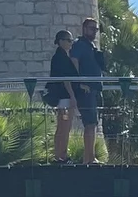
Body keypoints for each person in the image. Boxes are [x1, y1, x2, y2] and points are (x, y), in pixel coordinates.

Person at [71, 17, 109, 165]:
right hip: (86, 90)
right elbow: (74, 62)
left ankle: (88, 158)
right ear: (84, 29)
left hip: (95, 89)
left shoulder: (91, 46)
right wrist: (79, 82)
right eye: (92, 28)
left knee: (93, 123)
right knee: (90, 123)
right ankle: (90, 158)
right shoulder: (79, 45)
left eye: (96, 29)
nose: (94, 32)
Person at [45, 30, 79, 163]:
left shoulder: (61, 56)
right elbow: (66, 79)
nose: (71, 43)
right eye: (68, 40)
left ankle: (59, 154)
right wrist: (72, 96)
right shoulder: (61, 58)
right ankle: (61, 155)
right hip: (64, 98)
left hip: (63, 97)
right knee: (65, 126)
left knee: (62, 126)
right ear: (61, 41)